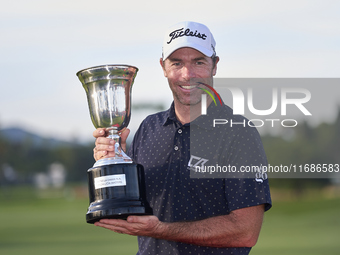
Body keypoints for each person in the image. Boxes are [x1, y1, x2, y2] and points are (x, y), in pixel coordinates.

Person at [92, 21, 272, 255]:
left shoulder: (238, 133)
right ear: (163, 67)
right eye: (177, 63)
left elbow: (245, 231)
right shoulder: (148, 128)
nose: (188, 74)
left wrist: (161, 229)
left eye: (198, 62)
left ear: (214, 65)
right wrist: (115, 163)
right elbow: (130, 209)